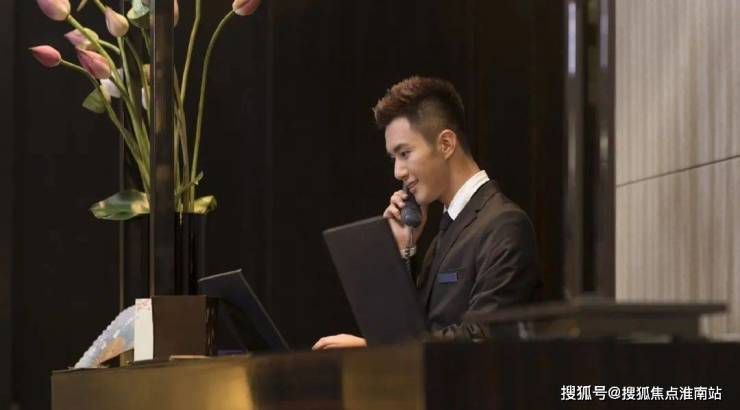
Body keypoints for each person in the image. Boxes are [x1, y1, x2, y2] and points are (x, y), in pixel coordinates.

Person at [313, 76, 541, 350]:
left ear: (446, 144)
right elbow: (411, 330)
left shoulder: (505, 225)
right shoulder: (447, 229)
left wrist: (374, 350)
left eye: (405, 153)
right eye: (394, 158)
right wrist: (403, 250)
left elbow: (483, 337)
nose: (398, 171)